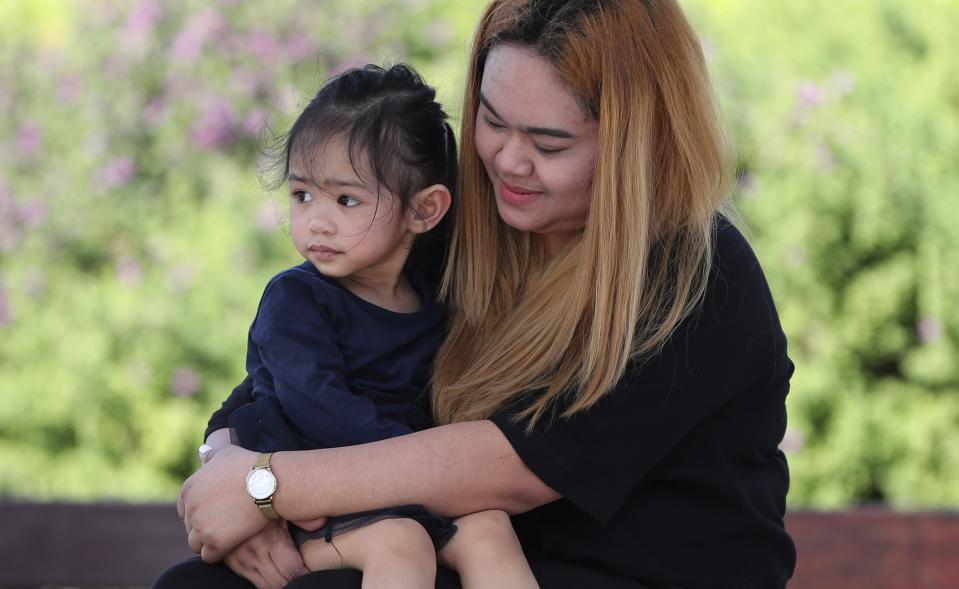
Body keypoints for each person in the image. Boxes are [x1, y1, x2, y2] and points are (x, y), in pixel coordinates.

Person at [159, 0, 797, 587]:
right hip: (461, 555)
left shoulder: (697, 275)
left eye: (549, 143)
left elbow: (512, 465)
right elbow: (297, 352)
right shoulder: (459, 232)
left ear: (636, 146)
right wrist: (227, 463)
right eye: (492, 121)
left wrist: (268, 487)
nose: (508, 160)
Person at [158, 64, 540, 589]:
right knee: (401, 544)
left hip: (390, 491)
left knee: (490, 529)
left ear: (424, 210)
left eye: (346, 200)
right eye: (301, 195)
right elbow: (319, 408)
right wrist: (431, 466)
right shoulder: (296, 300)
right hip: (307, 495)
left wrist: (442, 477)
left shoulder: (436, 301)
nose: (317, 220)